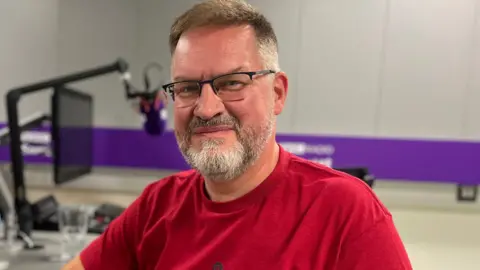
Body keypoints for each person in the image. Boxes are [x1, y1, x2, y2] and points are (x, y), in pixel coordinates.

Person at [63, 0, 412, 269]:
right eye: (186, 88)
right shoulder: (157, 207)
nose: (206, 108)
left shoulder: (347, 212)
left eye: (231, 83)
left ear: (277, 93)